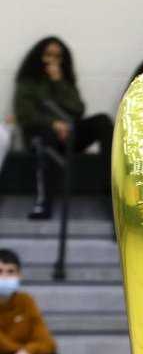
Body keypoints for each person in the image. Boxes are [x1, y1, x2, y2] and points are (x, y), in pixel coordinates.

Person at [14, 37, 113, 221]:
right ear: (39, 56)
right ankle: (43, 203)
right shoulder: (28, 81)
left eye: (57, 57)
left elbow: (78, 109)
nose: (52, 60)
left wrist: (59, 82)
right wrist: (53, 123)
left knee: (103, 121)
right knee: (46, 136)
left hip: (68, 134)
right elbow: (25, 114)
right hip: (41, 135)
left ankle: (111, 189)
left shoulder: (65, 80)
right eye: (48, 55)